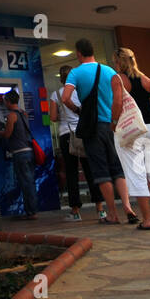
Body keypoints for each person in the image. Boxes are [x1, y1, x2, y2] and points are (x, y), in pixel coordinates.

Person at [61, 39, 138, 225]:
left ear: (79, 53)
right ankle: (127, 206)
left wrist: (78, 110)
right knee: (117, 168)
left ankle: (111, 213)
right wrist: (114, 120)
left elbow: (65, 98)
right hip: (109, 126)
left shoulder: (75, 73)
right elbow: (118, 100)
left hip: (91, 127)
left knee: (101, 171)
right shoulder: (110, 71)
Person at [112, 48, 150, 230]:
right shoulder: (146, 80)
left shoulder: (118, 79)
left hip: (132, 131)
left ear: (118, 62)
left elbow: (118, 103)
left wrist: (114, 121)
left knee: (136, 174)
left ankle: (146, 221)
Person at [55, 64, 103, 222]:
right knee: (90, 170)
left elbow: (53, 117)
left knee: (71, 172)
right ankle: (100, 209)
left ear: (61, 78)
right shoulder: (82, 91)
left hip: (65, 134)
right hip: (83, 133)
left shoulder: (56, 95)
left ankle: (75, 212)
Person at [0, 89, 39, 220]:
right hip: (29, 151)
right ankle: (31, 210)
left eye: (5, 101)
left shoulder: (11, 115)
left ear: (9, 101)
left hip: (20, 153)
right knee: (30, 181)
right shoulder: (23, 113)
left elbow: (7, 133)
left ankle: (31, 212)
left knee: (25, 182)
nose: (4, 103)